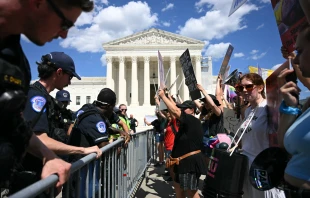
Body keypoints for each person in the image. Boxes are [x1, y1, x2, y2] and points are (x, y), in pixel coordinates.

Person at [0, 0, 94, 190]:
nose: (64, 34)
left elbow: (15, 125)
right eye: (65, 23)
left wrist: (48, 156)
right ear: (39, 2)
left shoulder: (17, 62)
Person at [10, 52, 102, 194]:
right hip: (28, 175)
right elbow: (38, 138)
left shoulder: (46, 98)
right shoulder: (36, 97)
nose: (70, 82)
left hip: (39, 172)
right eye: (70, 76)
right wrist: (82, 150)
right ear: (59, 72)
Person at [68, 88, 130, 198]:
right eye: (112, 108)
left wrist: (120, 131)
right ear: (108, 106)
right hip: (82, 166)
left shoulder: (90, 110)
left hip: (82, 163)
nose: (113, 112)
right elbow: (104, 146)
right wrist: (117, 147)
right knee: (87, 192)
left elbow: (108, 127)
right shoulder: (95, 119)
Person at [234, 73, 285, 198]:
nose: (244, 90)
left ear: (261, 87)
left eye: (249, 87)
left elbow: (280, 137)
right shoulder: (247, 110)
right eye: (240, 88)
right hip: (247, 167)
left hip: (264, 169)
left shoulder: (269, 107)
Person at [277, 23, 310, 197]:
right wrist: (289, 107)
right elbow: (283, 143)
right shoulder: (308, 105)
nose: (295, 61)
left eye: (301, 51)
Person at [158, 89, 207, 198]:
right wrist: (166, 97)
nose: (182, 111)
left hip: (189, 163)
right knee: (178, 187)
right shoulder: (186, 122)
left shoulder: (192, 120)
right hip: (183, 162)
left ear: (192, 110)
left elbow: (175, 111)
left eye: (185, 109)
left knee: (191, 191)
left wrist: (163, 96)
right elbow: (173, 111)